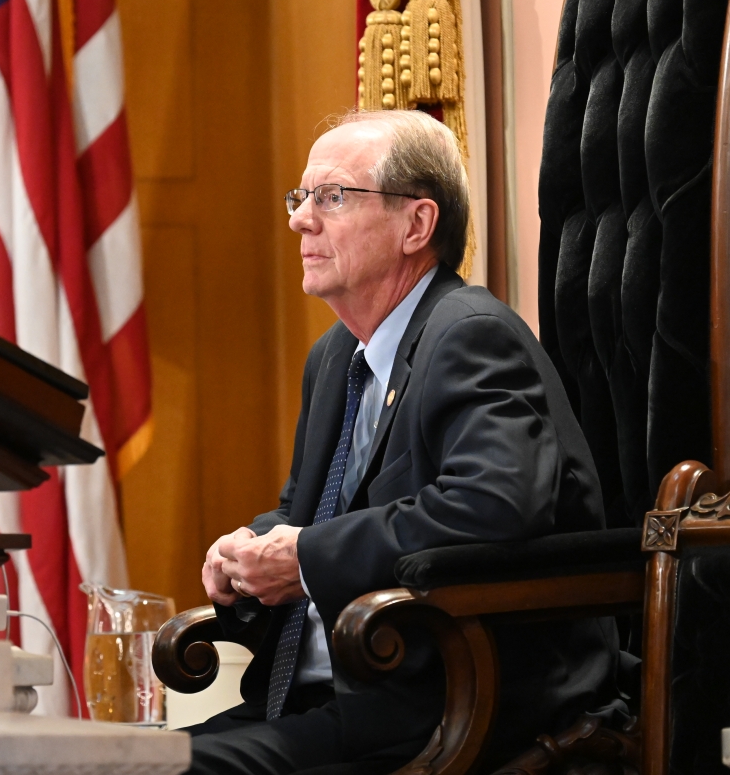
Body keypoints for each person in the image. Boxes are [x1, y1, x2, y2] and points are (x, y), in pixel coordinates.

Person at [186, 110, 621, 775]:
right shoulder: (336, 357)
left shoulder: (470, 335)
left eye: (332, 197)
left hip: (440, 705)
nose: (302, 220)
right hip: (320, 700)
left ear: (417, 225)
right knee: (103, 758)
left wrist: (303, 558)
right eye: (301, 198)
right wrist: (248, 556)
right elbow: (314, 513)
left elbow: (495, 505)